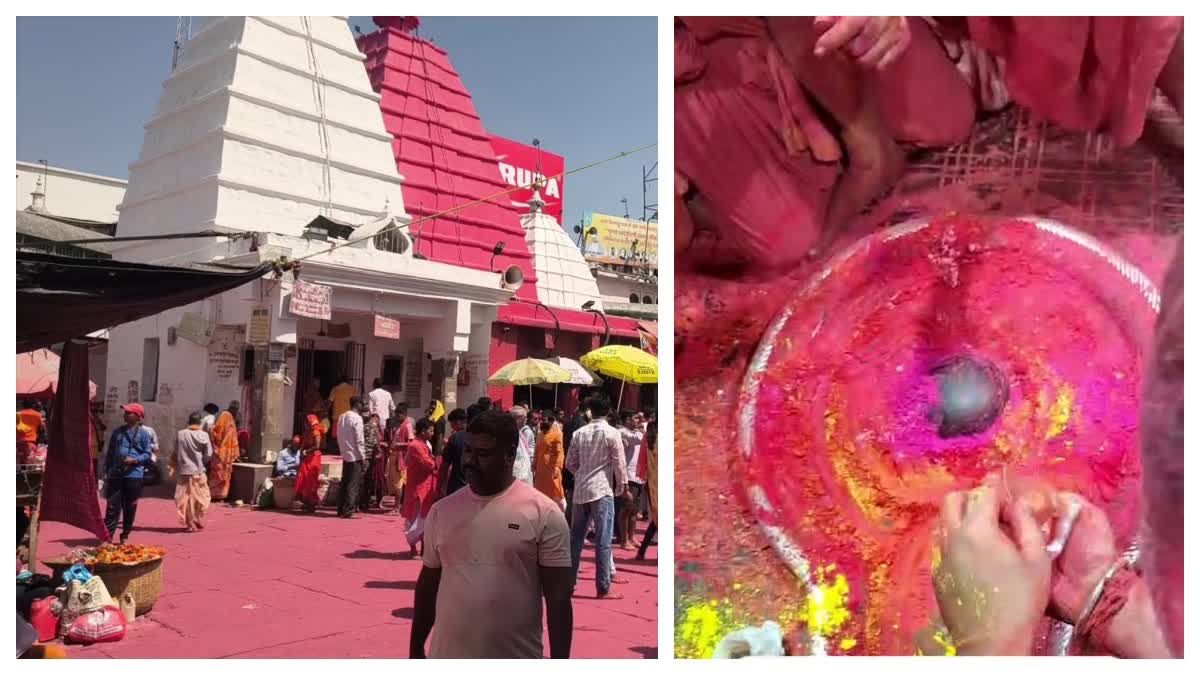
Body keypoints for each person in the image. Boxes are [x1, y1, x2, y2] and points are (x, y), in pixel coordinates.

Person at [409, 409, 573, 659]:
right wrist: (415, 648)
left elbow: (558, 599)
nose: (470, 461)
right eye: (468, 451)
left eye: (483, 454)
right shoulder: (442, 511)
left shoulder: (545, 514)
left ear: (509, 455)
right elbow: (428, 585)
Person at [565, 396, 627, 600]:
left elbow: (569, 463)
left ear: (590, 411)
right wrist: (623, 486)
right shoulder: (612, 433)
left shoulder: (579, 433)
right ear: (608, 411)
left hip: (581, 490)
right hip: (602, 490)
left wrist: (582, 474)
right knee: (603, 541)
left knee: (576, 540)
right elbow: (619, 463)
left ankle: (569, 584)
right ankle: (603, 587)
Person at [103, 404, 154, 544]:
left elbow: (148, 454)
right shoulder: (117, 432)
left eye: (128, 412)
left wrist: (135, 460)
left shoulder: (144, 434)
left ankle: (125, 535)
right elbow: (110, 453)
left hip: (134, 476)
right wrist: (106, 470)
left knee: (130, 507)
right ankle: (107, 536)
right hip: (116, 474)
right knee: (112, 506)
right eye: (125, 412)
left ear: (138, 416)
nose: (125, 414)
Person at [168, 412, 214, 532]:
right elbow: (209, 454)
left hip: (184, 470)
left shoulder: (181, 434)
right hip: (198, 471)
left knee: (186, 498)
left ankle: (191, 522)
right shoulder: (204, 435)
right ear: (200, 422)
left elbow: (176, 451)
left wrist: (175, 464)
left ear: (189, 422)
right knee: (201, 497)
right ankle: (193, 520)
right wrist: (201, 461)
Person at [402, 418, 438, 558]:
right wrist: (438, 461)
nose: (433, 433)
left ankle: (423, 548)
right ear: (423, 431)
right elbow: (428, 464)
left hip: (426, 486)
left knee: (425, 519)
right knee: (415, 518)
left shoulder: (423, 444)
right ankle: (413, 548)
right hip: (418, 487)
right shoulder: (416, 446)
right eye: (431, 430)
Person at [616, 411, 645, 549]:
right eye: (636, 418)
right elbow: (639, 439)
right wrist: (641, 429)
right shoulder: (622, 431)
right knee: (626, 509)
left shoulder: (634, 432)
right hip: (628, 476)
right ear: (627, 419)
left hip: (637, 476)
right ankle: (623, 540)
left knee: (634, 510)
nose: (638, 421)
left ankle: (632, 537)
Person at [336, 397, 366, 518]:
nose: (363, 406)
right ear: (358, 404)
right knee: (352, 483)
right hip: (355, 455)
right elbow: (359, 440)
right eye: (362, 404)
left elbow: (338, 435)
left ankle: (340, 509)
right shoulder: (357, 418)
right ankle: (348, 509)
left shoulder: (342, 417)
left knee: (345, 482)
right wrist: (363, 457)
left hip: (345, 454)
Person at [208, 401, 241, 501]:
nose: (235, 412)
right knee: (219, 473)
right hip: (221, 452)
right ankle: (215, 495)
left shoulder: (231, 417)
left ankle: (220, 495)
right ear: (231, 408)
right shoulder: (225, 415)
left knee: (224, 474)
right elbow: (217, 432)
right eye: (235, 409)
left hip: (226, 453)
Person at [636, 417, 658, 561]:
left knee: (657, 519)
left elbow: (642, 461)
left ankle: (642, 551)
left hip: (652, 484)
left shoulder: (649, 435)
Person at [534, 413, 566, 510]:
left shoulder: (557, 435)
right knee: (541, 495)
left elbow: (560, 453)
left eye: (549, 420)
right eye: (543, 419)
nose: (545, 421)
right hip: (540, 470)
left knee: (556, 494)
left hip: (552, 470)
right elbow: (537, 451)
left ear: (552, 422)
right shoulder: (539, 435)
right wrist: (534, 464)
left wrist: (557, 467)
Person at [294, 414, 324, 513]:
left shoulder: (316, 431)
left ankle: (311, 503)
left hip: (313, 459)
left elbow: (317, 446)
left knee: (310, 481)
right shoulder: (308, 431)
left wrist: (306, 452)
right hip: (307, 458)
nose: (305, 424)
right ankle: (306, 502)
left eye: (306, 422)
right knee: (304, 479)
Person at [437, 408, 469, 498]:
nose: (451, 427)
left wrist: (439, 485)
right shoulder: (478, 436)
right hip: (474, 486)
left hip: (457, 484)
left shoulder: (455, 438)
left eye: (451, 424)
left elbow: (445, 465)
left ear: (458, 422)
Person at [360, 412, 386, 511]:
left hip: (371, 458)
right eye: (373, 419)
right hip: (370, 456)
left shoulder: (364, 426)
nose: (375, 421)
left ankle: (365, 502)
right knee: (367, 480)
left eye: (376, 419)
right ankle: (364, 503)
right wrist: (379, 450)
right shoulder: (371, 427)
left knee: (369, 480)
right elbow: (375, 443)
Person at [327, 375, 357, 443]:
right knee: (347, 436)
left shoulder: (335, 389)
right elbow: (356, 402)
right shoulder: (352, 389)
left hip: (337, 416)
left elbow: (330, 402)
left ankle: (337, 447)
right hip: (348, 417)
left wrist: (326, 412)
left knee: (336, 437)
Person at [510, 406, 535, 485]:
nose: (526, 419)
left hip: (526, 474)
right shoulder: (512, 434)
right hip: (519, 476)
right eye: (524, 417)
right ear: (517, 418)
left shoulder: (519, 432)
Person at [16, 400, 43, 464]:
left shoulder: (17, 414)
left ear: (23, 405)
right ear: (33, 405)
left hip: (18, 442)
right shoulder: (38, 415)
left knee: (17, 464)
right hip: (31, 442)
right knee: (29, 464)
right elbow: (41, 428)